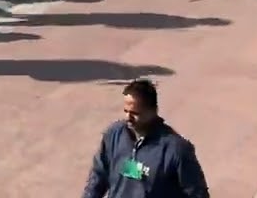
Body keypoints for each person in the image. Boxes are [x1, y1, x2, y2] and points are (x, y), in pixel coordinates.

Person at [81, 79, 209, 198]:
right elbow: (98, 177)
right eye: (126, 111)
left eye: (135, 113)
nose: (128, 118)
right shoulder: (114, 135)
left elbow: (197, 194)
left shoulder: (176, 150)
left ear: (153, 111)